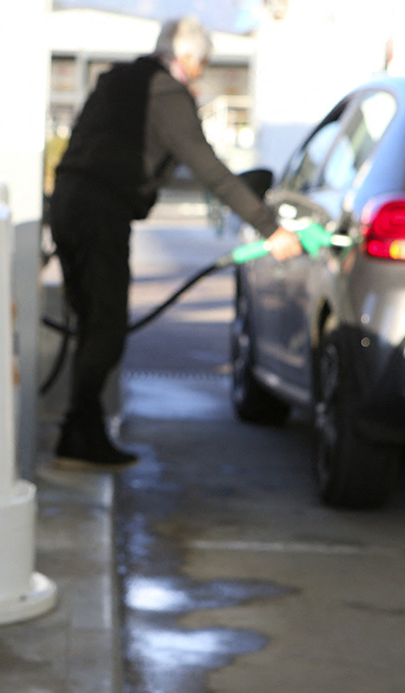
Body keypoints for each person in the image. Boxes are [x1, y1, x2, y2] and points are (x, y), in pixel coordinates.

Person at [49, 15, 302, 470]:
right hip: (101, 213)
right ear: (187, 57)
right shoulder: (167, 95)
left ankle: (81, 431)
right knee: (105, 329)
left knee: (91, 325)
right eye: (202, 64)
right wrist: (271, 229)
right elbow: (211, 171)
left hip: (67, 203)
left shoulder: (116, 82)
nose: (201, 74)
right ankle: (77, 433)